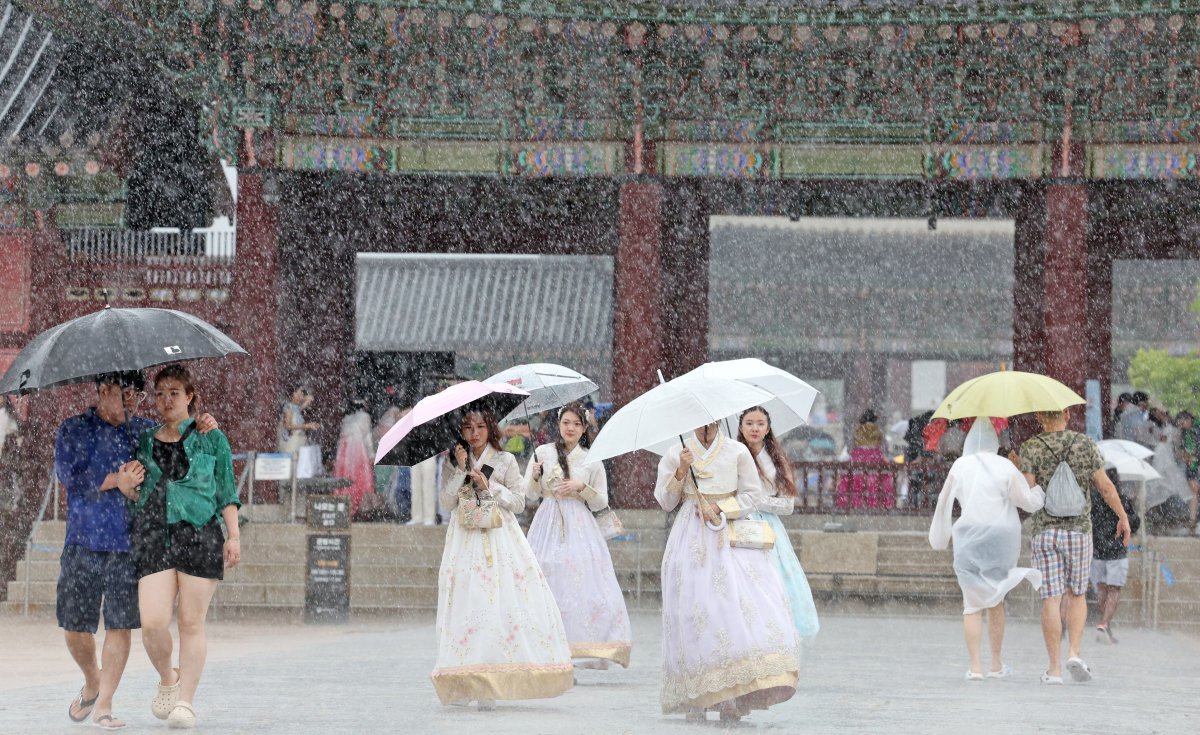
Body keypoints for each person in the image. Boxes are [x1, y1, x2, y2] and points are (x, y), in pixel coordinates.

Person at [655, 422, 800, 723]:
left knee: (728, 610)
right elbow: (666, 501)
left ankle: (731, 694)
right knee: (692, 611)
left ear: (719, 420)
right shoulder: (675, 453)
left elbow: (751, 496)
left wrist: (721, 509)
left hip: (727, 535)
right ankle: (695, 695)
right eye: (699, 420)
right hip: (689, 535)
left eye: (711, 419)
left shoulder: (737, 452)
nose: (706, 425)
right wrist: (681, 470)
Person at [122, 365, 241, 729]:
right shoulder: (144, 439)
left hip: (200, 534)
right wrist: (128, 489)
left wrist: (233, 535)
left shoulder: (211, 437)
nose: (165, 400)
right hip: (154, 535)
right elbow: (139, 492)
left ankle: (186, 701)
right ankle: (168, 678)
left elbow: (226, 491)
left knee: (191, 622)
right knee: (153, 623)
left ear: (190, 396)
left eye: (174, 392)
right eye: (159, 394)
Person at [431, 409, 573, 709]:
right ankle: (462, 679)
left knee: (494, 604)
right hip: (464, 542)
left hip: (499, 541)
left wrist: (489, 486)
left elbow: (520, 502)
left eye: (481, 426)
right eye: (468, 427)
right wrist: (459, 471)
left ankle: (491, 680)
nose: (475, 433)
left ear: (490, 428)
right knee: (466, 604)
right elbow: (446, 502)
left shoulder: (505, 460)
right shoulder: (454, 460)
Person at [1020, 409, 1131, 685]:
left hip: (1045, 532)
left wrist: (1019, 470)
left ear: (1039, 417)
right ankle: (1074, 652)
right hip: (1079, 532)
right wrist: (1122, 516)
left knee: (1051, 598)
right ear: (1067, 414)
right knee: (1077, 593)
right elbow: (1105, 487)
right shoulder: (1084, 444)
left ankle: (1054, 669)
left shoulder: (1031, 446)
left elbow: (1027, 497)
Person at [929, 419, 1046, 680]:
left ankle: (975, 667)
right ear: (994, 441)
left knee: (971, 605)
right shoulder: (1005, 465)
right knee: (996, 599)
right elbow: (1026, 502)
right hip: (1001, 538)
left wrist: (939, 537)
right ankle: (996, 664)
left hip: (969, 536)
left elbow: (943, 501)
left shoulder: (960, 465)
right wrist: (1037, 489)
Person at [524, 402, 631, 670]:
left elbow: (601, 501)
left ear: (583, 428)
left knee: (580, 581)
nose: (570, 428)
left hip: (580, 524)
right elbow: (529, 495)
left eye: (576, 424)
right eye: (565, 423)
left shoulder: (591, 458)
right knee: (546, 575)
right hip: (547, 521)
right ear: (558, 425)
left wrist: (581, 487)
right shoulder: (542, 453)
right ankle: (546, 645)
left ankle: (580, 646)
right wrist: (535, 477)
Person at [737, 406, 820, 640]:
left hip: (766, 526)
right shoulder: (732, 455)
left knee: (772, 580)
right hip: (737, 523)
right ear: (741, 426)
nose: (755, 428)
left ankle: (773, 631)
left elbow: (787, 505)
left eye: (760, 423)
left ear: (768, 427)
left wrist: (755, 501)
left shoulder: (776, 458)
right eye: (749, 423)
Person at [1091, 467, 1141, 644]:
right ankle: (1104, 624)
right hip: (1117, 552)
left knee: (1102, 589)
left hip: (1098, 552)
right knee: (1114, 590)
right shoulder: (1123, 500)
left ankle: (1103, 625)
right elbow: (1134, 524)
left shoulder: (1094, 500)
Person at [836, 419, 894, 509]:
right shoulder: (883, 462)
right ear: (878, 439)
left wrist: (842, 503)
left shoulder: (851, 461)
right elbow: (887, 487)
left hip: (855, 505)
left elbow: (844, 485)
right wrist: (887, 504)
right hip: (877, 506)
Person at [333, 399, 375, 518]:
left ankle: (345, 504)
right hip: (357, 449)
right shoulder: (365, 416)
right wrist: (371, 454)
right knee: (360, 477)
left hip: (344, 452)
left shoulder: (346, 419)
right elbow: (367, 436)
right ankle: (360, 506)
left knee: (346, 476)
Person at [1176, 411, 1200, 534]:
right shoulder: (1185, 432)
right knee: (1193, 490)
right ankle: (1192, 519)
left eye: (1182, 422)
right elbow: (1182, 449)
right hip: (1192, 465)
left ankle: (1193, 519)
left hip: (1195, 463)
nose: (1180, 425)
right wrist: (1185, 455)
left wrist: (1192, 456)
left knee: (1194, 490)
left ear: (1189, 419)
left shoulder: (1197, 428)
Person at [277, 385, 318, 454]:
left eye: (301, 394)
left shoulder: (297, 408)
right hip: (292, 443)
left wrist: (311, 425)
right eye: (296, 393)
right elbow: (288, 426)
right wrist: (306, 426)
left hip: (299, 441)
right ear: (291, 394)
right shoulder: (288, 407)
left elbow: (310, 398)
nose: (299, 396)